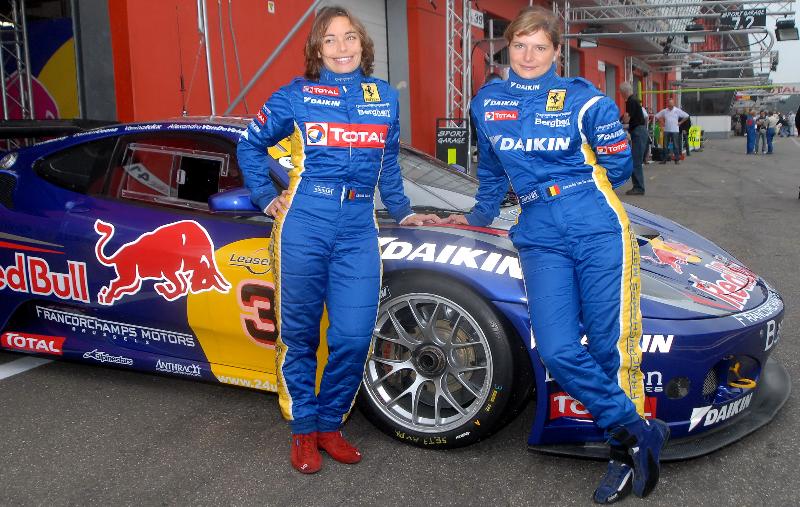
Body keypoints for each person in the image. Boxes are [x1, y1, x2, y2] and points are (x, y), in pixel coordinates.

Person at [443, 6, 668, 503]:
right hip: (538, 231)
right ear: (506, 47)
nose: (528, 56)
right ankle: (638, 430)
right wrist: (476, 216)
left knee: (608, 346)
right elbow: (493, 172)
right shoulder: (486, 103)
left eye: (539, 47)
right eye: (519, 45)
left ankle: (622, 454)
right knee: (558, 348)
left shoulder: (585, 100)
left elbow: (620, 164)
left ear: (556, 52)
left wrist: (575, 191)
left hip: (594, 224)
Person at [237, 5, 440, 474]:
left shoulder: (383, 97)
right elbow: (249, 143)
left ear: (363, 45)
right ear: (317, 50)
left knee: (353, 335)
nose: (341, 47)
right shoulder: (295, 95)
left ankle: (330, 424)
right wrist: (265, 196)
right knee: (300, 336)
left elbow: (388, 163)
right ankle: (303, 429)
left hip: (357, 227)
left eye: (349, 37)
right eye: (329, 39)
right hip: (304, 222)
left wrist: (404, 211)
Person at [620, 81, 648, 195]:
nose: (621, 95)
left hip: (638, 132)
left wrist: (620, 123)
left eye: (621, 93)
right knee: (635, 160)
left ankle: (639, 187)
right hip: (640, 131)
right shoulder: (635, 100)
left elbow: (627, 118)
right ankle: (638, 186)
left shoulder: (630, 101)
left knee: (635, 161)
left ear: (624, 92)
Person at [654, 98, 688, 164]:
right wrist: (662, 122)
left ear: (673, 104)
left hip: (675, 130)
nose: (670, 105)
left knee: (676, 146)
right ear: (668, 104)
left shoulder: (677, 110)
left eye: (672, 104)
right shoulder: (664, 111)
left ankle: (677, 160)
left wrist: (680, 122)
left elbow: (686, 116)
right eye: (669, 104)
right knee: (665, 146)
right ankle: (664, 159)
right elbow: (656, 116)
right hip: (666, 130)